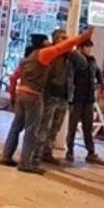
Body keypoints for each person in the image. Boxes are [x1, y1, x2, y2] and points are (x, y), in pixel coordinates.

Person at [0, 29, 93, 174]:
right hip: (35, 95)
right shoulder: (44, 55)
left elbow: (14, 78)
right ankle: (26, 163)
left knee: (17, 127)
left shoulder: (27, 58)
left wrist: (13, 95)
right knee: (34, 130)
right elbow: (59, 48)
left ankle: (7, 156)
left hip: (22, 94)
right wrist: (81, 38)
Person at [66, 40, 104, 166]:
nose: (90, 50)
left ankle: (91, 152)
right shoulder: (75, 61)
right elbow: (70, 77)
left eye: (90, 47)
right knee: (72, 127)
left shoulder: (92, 61)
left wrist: (100, 83)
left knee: (87, 127)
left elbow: (98, 73)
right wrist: (70, 96)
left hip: (88, 99)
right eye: (87, 47)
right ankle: (70, 151)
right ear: (80, 48)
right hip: (77, 98)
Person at [37, 29, 73, 165]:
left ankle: (47, 151)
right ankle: (37, 153)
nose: (65, 40)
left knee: (55, 127)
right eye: (62, 38)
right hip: (51, 95)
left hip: (63, 96)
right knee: (45, 125)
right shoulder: (52, 55)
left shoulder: (69, 57)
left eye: (67, 38)